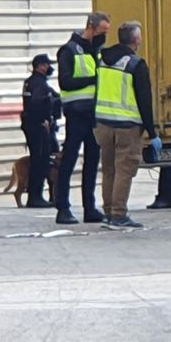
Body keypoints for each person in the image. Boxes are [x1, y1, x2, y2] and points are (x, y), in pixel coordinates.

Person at [94, 21, 160, 229]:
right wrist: (152, 131)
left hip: (103, 123)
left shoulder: (102, 60)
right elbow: (144, 100)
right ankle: (119, 214)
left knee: (109, 170)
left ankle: (107, 212)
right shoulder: (135, 64)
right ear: (136, 40)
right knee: (125, 170)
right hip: (127, 126)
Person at [54, 12, 109, 225]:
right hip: (76, 113)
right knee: (69, 160)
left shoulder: (96, 51)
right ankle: (63, 208)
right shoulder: (69, 50)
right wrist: (94, 78)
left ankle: (90, 207)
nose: (104, 36)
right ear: (91, 27)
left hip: (93, 114)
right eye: (102, 32)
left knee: (92, 161)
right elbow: (65, 82)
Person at [19, 54, 62, 209]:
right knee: (40, 161)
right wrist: (44, 120)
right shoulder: (39, 84)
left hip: (31, 125)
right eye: (47, 64)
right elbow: (37, 104)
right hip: (37, 126)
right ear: (40, 66)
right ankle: (35, 197)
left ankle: (36, 195)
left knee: (39, 160)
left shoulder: (31, 82)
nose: (49, 67)